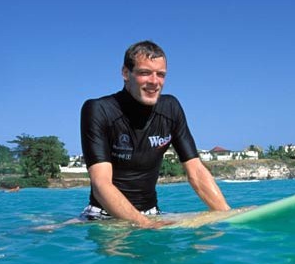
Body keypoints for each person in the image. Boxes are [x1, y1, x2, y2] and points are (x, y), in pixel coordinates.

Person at [80, 40, 230, 228]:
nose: (154, 82)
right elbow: (101, 185)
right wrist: (145, 224)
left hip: (152, 215)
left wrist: (226, 214)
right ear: (125, 73)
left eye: (161, 74)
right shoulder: (99, 110)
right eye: (145, 73)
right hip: (104, 217)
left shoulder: (170, 108)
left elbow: (196, 171)